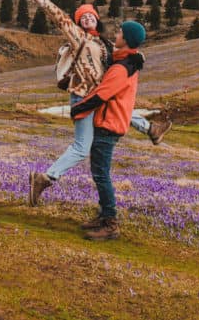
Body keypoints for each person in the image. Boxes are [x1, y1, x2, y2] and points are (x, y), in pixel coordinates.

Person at [24, 0, 169, 207]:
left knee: (118, 107)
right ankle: (45, 178)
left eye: (90, 15)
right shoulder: (78, 37)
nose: (87, 18)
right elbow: (59, 17)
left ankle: (151, 129)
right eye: (82, 17)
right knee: (82, 148)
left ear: (97, 18)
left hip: (101, 94)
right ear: (78, 22)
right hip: (84, 96)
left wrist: (138, 57)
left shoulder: (105, 43)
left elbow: (125, 53)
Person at [71, 19, 147, 241]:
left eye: (121, 32)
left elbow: (101, 94)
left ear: (127, 40)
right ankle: (104, 216)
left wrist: (77, 109)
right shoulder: (128, 61)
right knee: (99, 173)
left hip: (108, 124)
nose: (117, 34)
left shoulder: (121, 69)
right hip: (111, 123)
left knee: (101, 174)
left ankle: (110, 223)